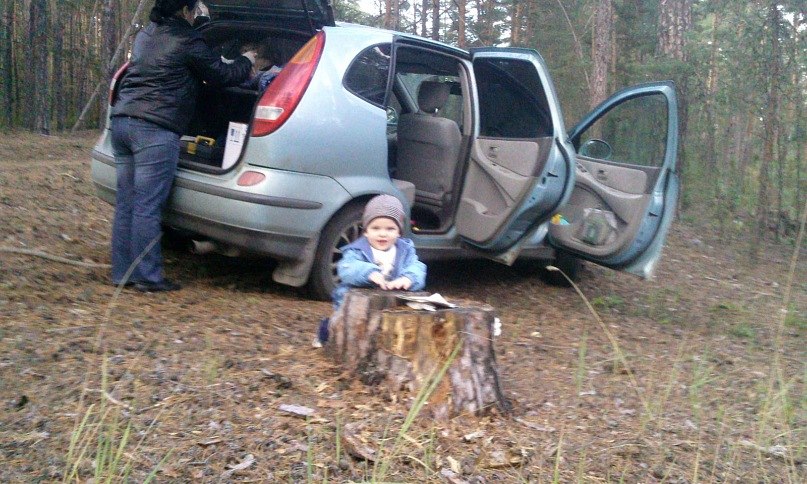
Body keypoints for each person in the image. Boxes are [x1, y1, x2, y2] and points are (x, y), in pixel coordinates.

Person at [109, 0, 256, 292]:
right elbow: (221, 75)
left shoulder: (146, 34)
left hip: (122, 122)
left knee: (127, 203)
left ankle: (123, 273)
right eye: (195, 9)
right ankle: (148, 278)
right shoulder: (187, 39)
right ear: (186, 11)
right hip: (154, 129)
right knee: (148, 206)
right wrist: (247, 60)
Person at [315, 194, 427, 346]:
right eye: (376, 228)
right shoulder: (357, 250)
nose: (382, 233)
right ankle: (326, 334)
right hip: (356, 304)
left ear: (398, 232)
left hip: (391, 302)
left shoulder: (405, 250)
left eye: (390, 228)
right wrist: (370, 273)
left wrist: (408, 278)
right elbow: (346, 268)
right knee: (341, 326)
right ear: (366, 231)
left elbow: (417, 267)